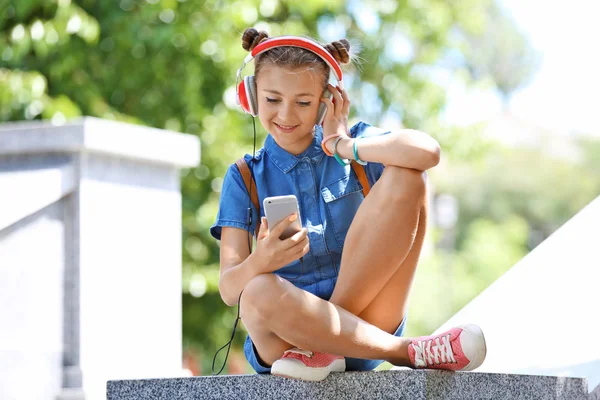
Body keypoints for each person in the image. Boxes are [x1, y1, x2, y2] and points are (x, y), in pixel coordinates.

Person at [210, 27, 487, 382]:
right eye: (273, 99)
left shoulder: (355, 145)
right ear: (251, 97)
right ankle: (404, 352)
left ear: (328, 100)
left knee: (409, 175)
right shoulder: (243, 176)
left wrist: (342, 145)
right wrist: (260, 261)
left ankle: (325, 347)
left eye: (304, 102)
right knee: (255, 294)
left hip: (367, 323)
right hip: (289, 342)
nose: (286, 114)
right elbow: (229, 290)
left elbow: (427, 151)